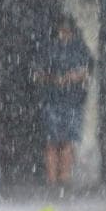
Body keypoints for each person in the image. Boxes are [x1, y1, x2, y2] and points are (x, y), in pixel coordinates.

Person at [33, 14, 92, 188]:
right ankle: (52, 181)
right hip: (52, 101)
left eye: (67, 30)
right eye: (61, 30)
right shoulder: (48, 48)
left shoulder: (79, 48)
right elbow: (37, 74)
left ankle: (64, 180)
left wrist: (72, 77)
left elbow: (86, 72)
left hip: (72, 101)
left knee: (68, 142)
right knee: (51, 142)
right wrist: (53, 79)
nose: (64, 34)